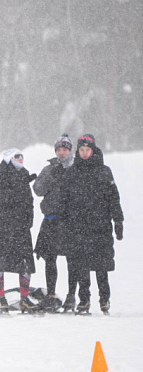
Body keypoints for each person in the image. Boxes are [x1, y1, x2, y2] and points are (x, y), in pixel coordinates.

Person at [59, 134, 124, 315]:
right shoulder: (72, 173)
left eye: (87, 150)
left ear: (93, 150)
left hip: (100, 228)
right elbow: (64, 201)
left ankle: (104, 299)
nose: (85, 153)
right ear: (78, 151)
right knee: (82, 268)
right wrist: (64, 223)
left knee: (101, 267)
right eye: (81, 150)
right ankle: (84, 300)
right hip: (78, 228)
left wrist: (118, 220)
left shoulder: (104, 171)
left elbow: (113, 198)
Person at [0, 149, 40, 315]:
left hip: (20, 227)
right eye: (16, 156)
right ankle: (1, 298)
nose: (20, 159)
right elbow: (3, 202)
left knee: (25, 263)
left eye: (22, 156)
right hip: (2, 228)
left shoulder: (23, 175)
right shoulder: (2, 175)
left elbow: (28, 202)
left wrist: (28, 219)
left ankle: (24, 298)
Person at [33, 134, 77, 311]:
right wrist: (51, 177)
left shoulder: (76, 168)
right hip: (50, 220)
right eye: (58, 150)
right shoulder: (49, 169)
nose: (61, 153)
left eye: (64, 149)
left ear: (70, 151)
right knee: (49, 258)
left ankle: (71, 295)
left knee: (72, 260)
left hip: (69, 222)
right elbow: (37, 189)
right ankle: (51, 294)